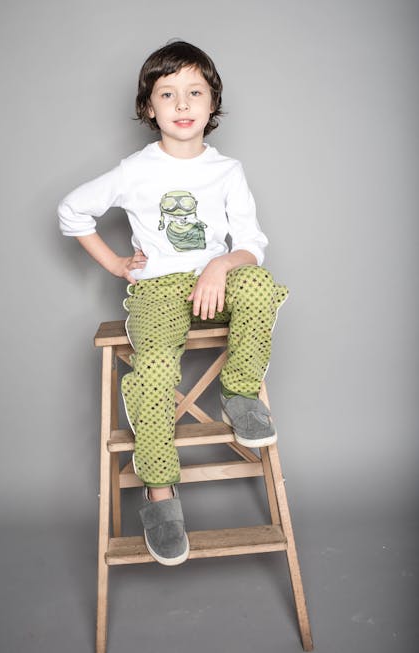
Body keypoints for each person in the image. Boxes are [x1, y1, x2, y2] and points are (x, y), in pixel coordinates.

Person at [58, 40, 288, 566]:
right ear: (149, 108)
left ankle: (241, 392)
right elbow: (73, 211)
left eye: (194, 93)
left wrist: (218, 265)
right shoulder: (136, 170)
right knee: (156, 371)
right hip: (159, 291)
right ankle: (159, 493)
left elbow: (251, 245)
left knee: (259, 282)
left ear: (212, 105)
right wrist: (119, 265)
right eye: (168, 94)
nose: (182, 105)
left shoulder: (228, 171)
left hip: (215, 285)